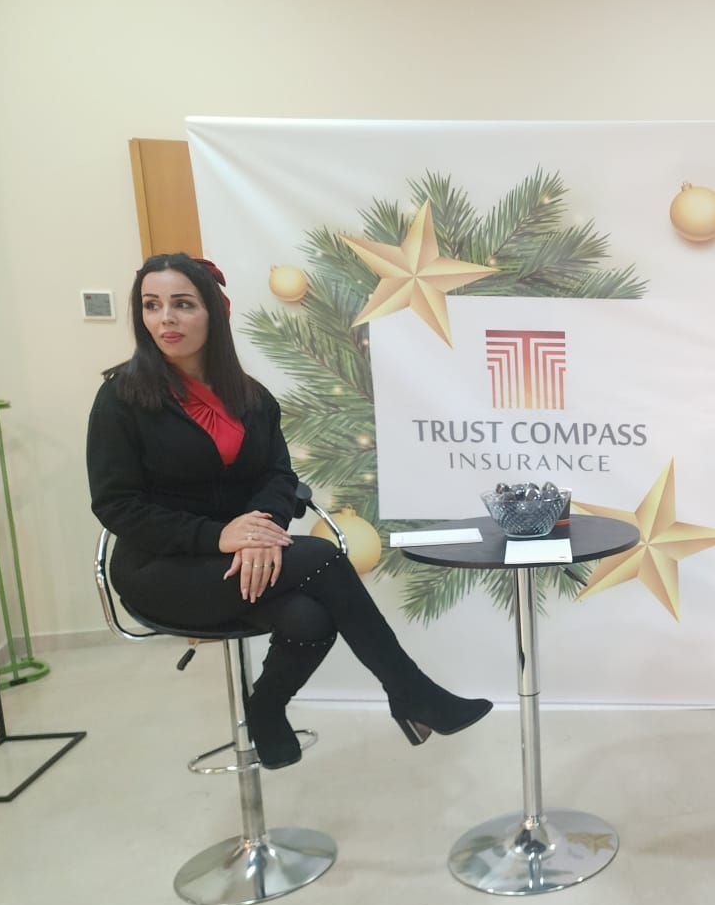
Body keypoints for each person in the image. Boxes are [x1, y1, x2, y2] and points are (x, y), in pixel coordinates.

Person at [88, 253, 492, 769]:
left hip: (242, 561)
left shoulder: (250, 396)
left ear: (214, 312)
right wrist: (218, 536)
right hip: (163, 567)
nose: (165, 319)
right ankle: (410, 691)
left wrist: (261, 530)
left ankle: (267, 708)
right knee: (321, 557)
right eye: (152, 305)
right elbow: (116, 505)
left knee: (311, 614)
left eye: (183, 304)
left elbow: (279, 477)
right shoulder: (121, 398)